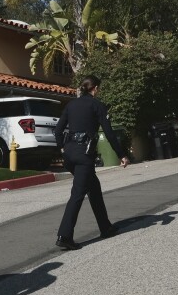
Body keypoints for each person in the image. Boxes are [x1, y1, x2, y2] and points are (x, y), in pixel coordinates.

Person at [54, 75, 130, 250]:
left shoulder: (71, 105)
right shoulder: (97, 105)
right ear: (95, 88)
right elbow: (109, 133)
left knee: (93, 188)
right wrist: (122, 155)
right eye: (99, 88)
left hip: (69, 154)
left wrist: (62, 149)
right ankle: (64, 236)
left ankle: (106, 227)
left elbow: (58, 130)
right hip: (83, 156)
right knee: (77, 194)